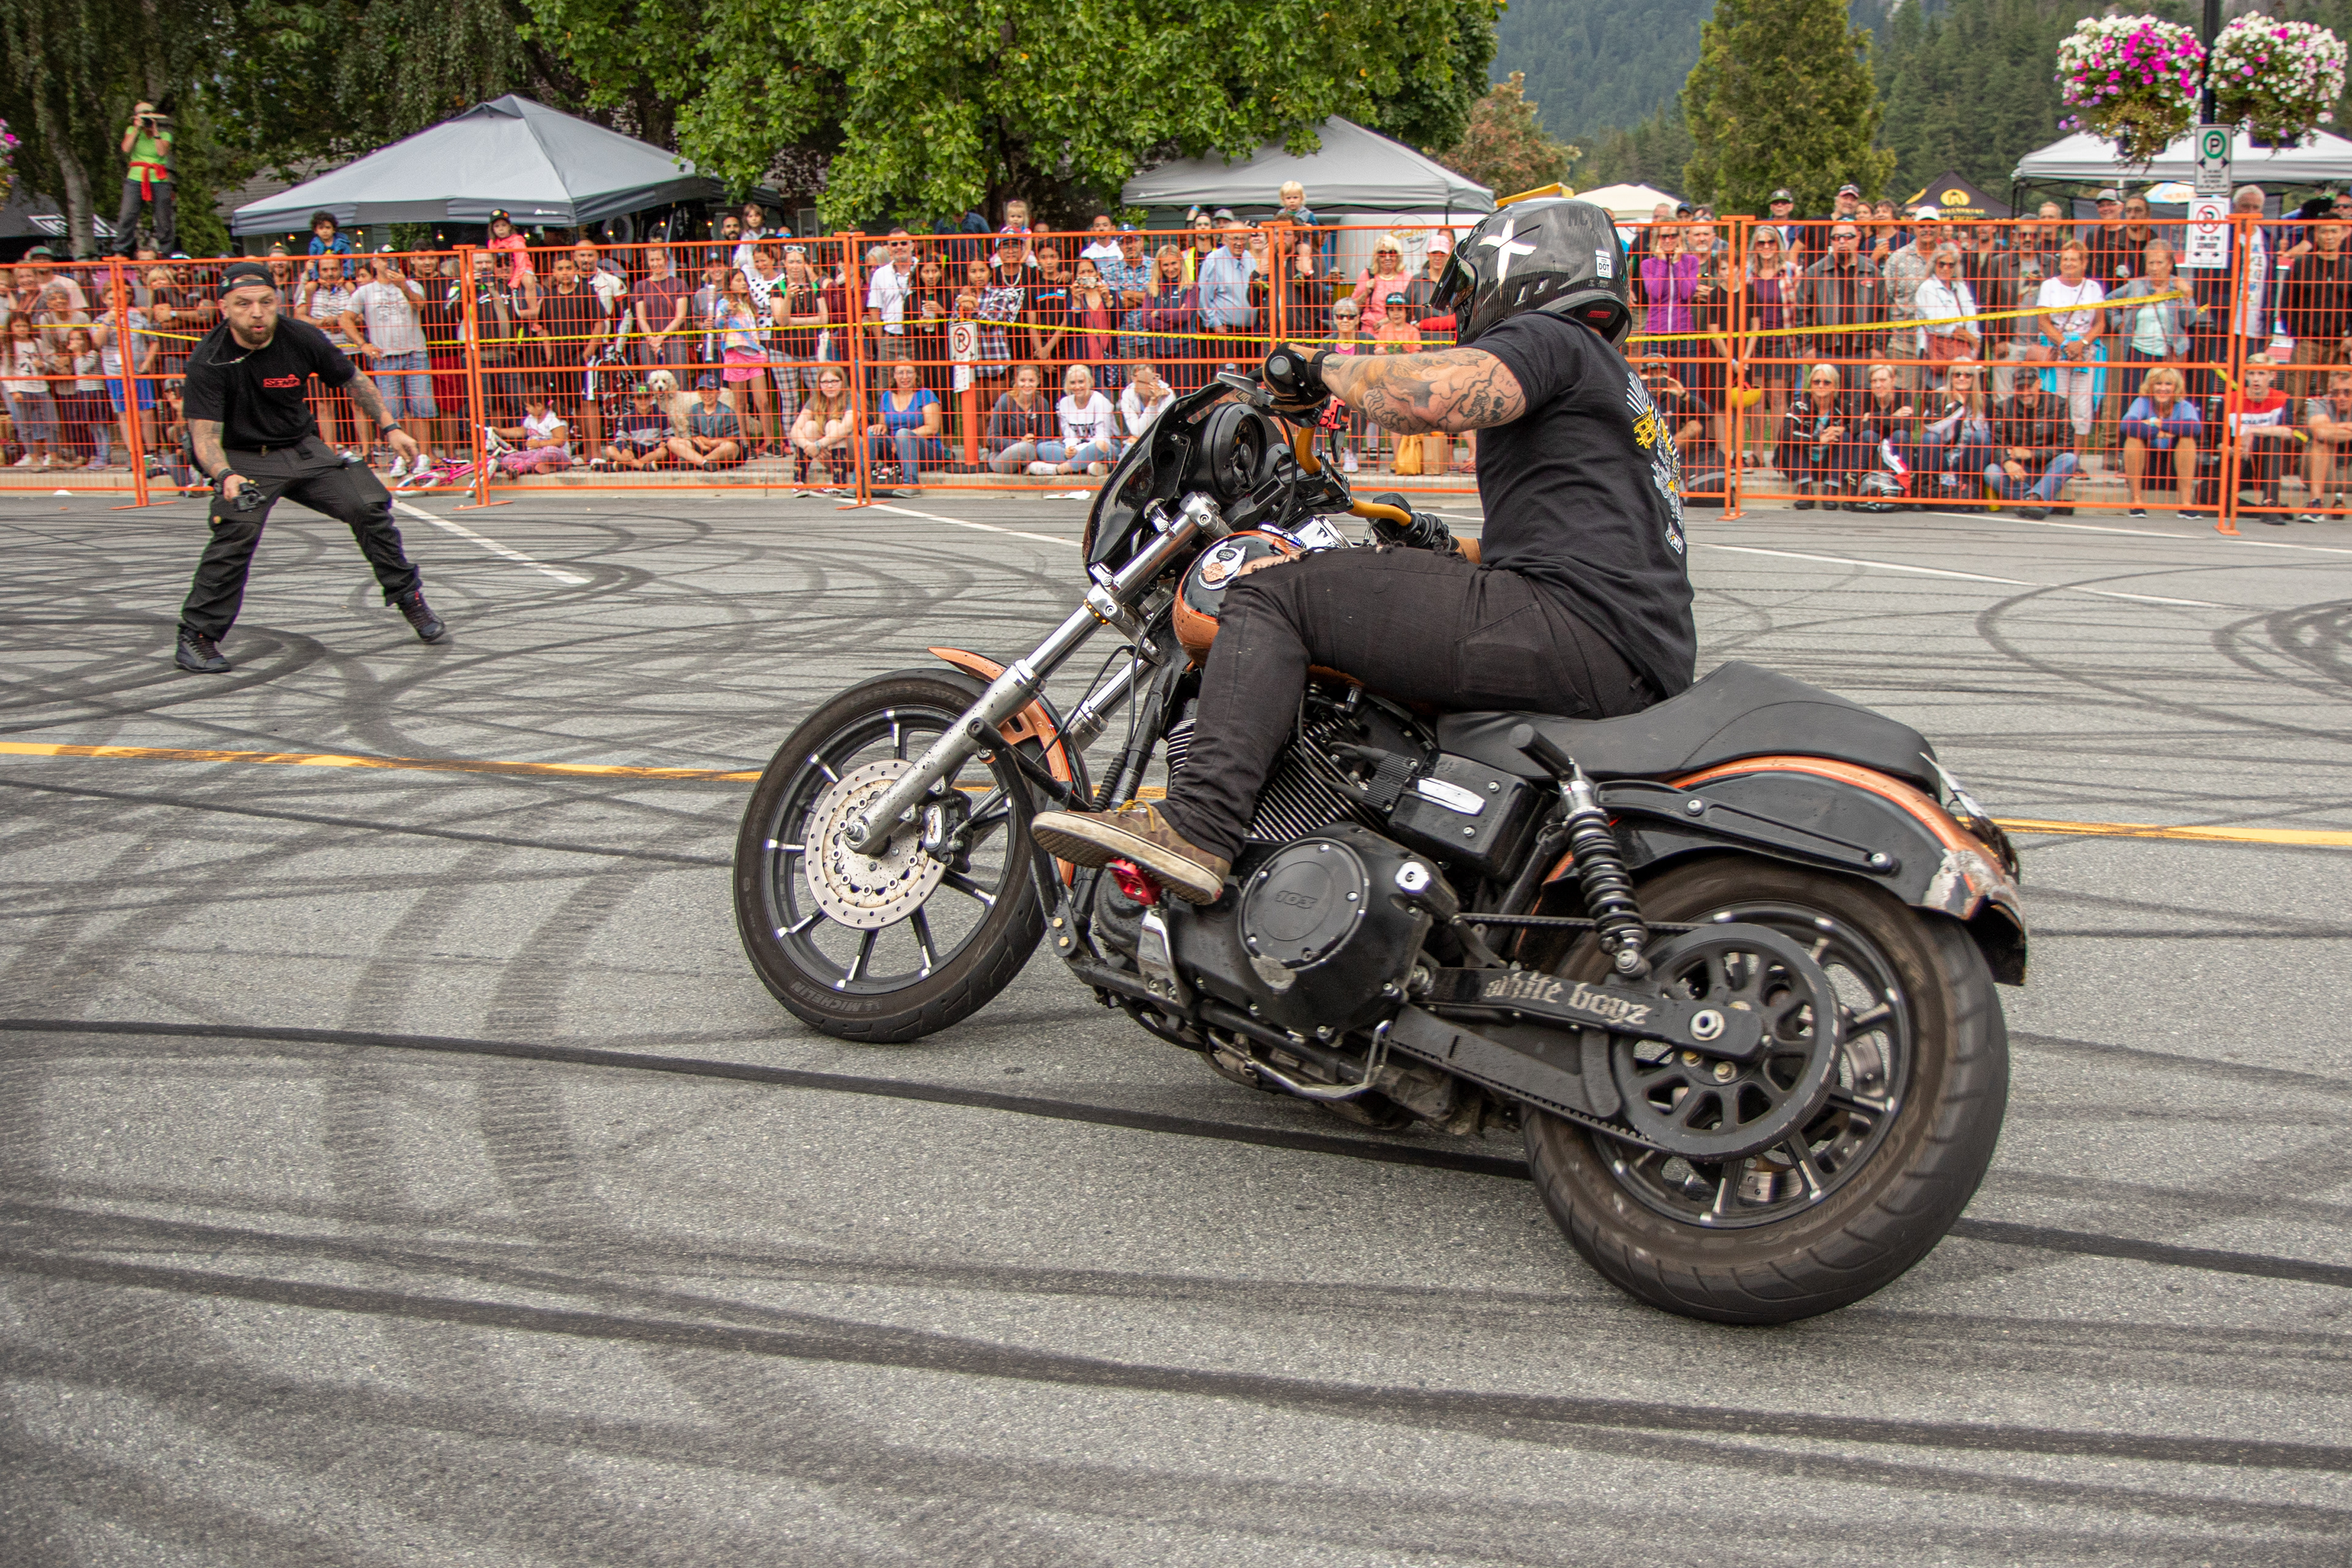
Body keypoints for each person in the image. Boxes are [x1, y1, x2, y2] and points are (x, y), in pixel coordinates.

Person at [1029, 198, 1691, 902]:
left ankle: (1199, 823)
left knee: (1273, 592)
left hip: (1572, 628)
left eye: (1471, 290)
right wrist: (1440, 543)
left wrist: (1319, 367)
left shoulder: (1551, 337)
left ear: (1520, 268)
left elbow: (1429, 398)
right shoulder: (1615, 384)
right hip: (1621, 652)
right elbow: (1572, 540)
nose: (1468, 310)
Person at [171, 259, 441, 674]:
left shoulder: (300, 336)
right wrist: (225, 476)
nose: (257, 313)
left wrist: (391, 428)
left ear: (277, 302)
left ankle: (410, 598)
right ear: (224, 307)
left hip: (301, 448)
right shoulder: (209, 359)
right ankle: (197, 635)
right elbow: (205, 437)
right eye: (244, 304)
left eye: (266, 302)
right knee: (237, 531)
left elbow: (354, 380)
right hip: (241, 457)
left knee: (368, 506)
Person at [343, 251, 440, 483]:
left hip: (415, 352)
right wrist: (363, 344)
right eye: (384, 260)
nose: (389, 264)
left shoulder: (412, 284)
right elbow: (345, 319)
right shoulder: (365, 291)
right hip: (385, 356)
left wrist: (403, 286)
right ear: (375, 262)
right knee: (392, 410)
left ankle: (424, 457)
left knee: (422, 407)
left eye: (393, 259)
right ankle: (401, 457)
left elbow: (420, 305)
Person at [2034, 239, 2105, 460]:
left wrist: (2081, 344)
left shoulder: (2093, 288)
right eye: (2065, 259)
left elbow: (2100, 324)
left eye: (2074, 259)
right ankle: (2055, 457)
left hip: (2085, 353)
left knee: (2082, 408)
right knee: (2056, 403)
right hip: (2057, 350)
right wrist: (2065, 344)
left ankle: (2076, 460)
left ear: (2084, 263)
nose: (2069, 263)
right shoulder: (2049, 286)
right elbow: (2043, 322)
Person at [2105, 239, 2200, 391]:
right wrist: (2119, 324)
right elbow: (2109, 301)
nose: (2155, 268)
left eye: (2160, 263)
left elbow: (2188, 321)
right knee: (2132, 398)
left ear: (2170, 264)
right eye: (2151, 263)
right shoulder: (2136, 286)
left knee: (2165, 399)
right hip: (2137, 354)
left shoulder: (2179, 286)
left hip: (2168, 354)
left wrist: (2187, 297)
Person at [1986, 374, 2079, 519]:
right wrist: (2007, 462)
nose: (2025, 393)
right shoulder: (2003, 407)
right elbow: (1996, 443)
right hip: (2019, 470)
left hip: (2048, 468)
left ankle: (2032, 499)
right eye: (2020, 388)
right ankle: (2040, 501)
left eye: (2029, 387)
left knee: (2070, 459)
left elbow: (2066, 444)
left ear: (2039, 384)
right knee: (1991, 473)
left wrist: (2030, 454)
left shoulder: (2059, 404)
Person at [2278, 214, 2352, 397]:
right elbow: (2287, 304)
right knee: (2294, 399)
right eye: (2324, 231)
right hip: (2307, 342)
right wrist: (2297, 335)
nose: (2329, 236)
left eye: (2334, 231)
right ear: (2316, 235)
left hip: (2340, 345)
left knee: (2337, 400)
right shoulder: (2301, 265)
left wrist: (2350, 337)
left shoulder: (2350, 268)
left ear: (2343, 234)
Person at [2117, 365, 2201, 518]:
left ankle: (2186, 503)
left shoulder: (2184, 405)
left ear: (2176, 387)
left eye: (2168, 384)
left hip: (2175, 466)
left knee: (2188, 441)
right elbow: (2127, 425)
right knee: (2133, 440)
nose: (2163, 388)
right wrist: (2160, 434)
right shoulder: (2142, 402)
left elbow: (2194, 428)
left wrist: (2158, 423)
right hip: (2147, 465)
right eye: (2158, 383)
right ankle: (2136, 502)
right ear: (2150, 386)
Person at [2222, 353, 2297, 516]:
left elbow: (2288, 431)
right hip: (2239, 461)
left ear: (2272, 376)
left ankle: (2270, 505)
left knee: (2272, 441)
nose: (2256, 379)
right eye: (2251, 373)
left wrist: (2252, 431)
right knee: (2205, 495)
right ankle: (2262, 510)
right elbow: (2218, 442)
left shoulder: (2282, 399)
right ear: (2245, 375)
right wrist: (2230, 450)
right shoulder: (2229, 400)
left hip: (2267, 464)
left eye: (2261, 373)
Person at [1777, 363, 1857, 508]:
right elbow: (1784, 434)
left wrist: (1844, 429)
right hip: (1800, 464)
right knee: (1788, 441)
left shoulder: (1844, 407)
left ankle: (1831, 491)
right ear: (1811, 385)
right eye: (1816, 382)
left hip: (1828, 465)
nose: (1821, 386)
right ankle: (1805, 491)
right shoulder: (1800, 405)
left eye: (1827, 382)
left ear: (1835, 386)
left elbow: (1860, 429)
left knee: (1846, 437)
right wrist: (1818, 440)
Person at [864, 358, 943, 485]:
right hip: (895, 451)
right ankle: (859, 482)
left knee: (903, 434)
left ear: (916, 375)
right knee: (871, 432)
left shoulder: (926, 394)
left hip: (926, 452)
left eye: (909, 372)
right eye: (900, 373)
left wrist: (902, 438)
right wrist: (880, 427)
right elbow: (884, 425)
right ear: (894, 376)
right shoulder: (886, 396)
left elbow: (932, 428)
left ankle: (910, 484)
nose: (905, 377)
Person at [1035, 363, 1120, 475]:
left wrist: (1078, 450)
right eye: (1073, 383)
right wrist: (1070, 448)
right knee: (1042, 448)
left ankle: (1060, 469)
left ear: (1089, 382)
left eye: (1081, 382)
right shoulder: (1064, 403)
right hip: (1078, 448)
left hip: (1105, 447)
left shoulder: (1101, 401)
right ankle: (1088, 466)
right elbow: (1069, 435)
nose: (1077, 386)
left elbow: (1103, 438)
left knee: (1100, 447)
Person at [114, 102, 176, 256]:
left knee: (163, 217)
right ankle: (121, 250)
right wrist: (136, 129)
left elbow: (162, 153)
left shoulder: (165, 135)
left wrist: (155, 131)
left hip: (159, 179)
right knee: (128, 214)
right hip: (136, 177)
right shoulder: (132, 131)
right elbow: (126, 149)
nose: (147, 120)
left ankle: (166, 252)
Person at [4, 317, 59, 469]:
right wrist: (13, 391)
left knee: (53, 423)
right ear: (11, 327)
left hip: (41, 388)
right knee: (26, 427)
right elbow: (5, 371)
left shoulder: (38, 343)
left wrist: (42, 365)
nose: (22, 329)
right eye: (18, 326)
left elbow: (47, 365)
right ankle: (34, 459)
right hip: (22, 389)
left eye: (24, 326)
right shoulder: (9, 346)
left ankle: (54, 458)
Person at [984, 361, 1058, 473]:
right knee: (1025, 449)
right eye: (1023, 380)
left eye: (1031, 381)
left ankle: (1031, 465)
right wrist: (1021, 442)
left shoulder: (1042, 403)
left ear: (1038, 381)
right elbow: (992, 439)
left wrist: (1031, 443)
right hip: (1003, 456)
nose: (1027, 385)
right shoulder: (1005, 401)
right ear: (1016, 381)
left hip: (1033, 449)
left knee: (1056, 444)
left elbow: (1046, 437)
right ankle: (1034, 465)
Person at [790, 364, 857, 485]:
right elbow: (795, 429)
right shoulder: (815, 400)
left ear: (843, 382)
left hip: (854, 453)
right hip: (826, 455)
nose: (830, 386)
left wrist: (818, 445)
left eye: (835, 381)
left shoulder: (852, 397)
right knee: (810, 427)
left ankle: (839, 483)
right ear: (819, 384)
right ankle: (798, 482)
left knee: (833, 425)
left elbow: (847, 428)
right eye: (825, 382)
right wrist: (808, 446)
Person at [2300, 366, 2352, 521]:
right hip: (2323, 473)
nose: (2341, 397)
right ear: (2329, 391)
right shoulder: (2318, 403)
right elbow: (2322, 432)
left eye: (2347, 392)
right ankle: (2316, 504)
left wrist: (2335, 429)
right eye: (2336, 392)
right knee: (2321, 442)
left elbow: (2328, 430)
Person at [481, 385, 572, 474]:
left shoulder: (553, 419)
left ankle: (520, 467)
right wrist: (500, 431)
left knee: (550, 450)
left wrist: (539, 444)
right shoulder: (531, 418)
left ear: (539, 406)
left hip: (557, 456)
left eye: (528, 406)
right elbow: (521, 431)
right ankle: (535, 467)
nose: (526, 409)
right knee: (507, 459)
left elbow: (560, 441)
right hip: (535, 454)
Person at [631, 246, 693, 369]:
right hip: (649, 341)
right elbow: (641, 318)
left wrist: (661, 337)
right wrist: (652, 339)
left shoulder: (679, 284)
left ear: (666, 260)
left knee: (678, 378)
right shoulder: (640, 286)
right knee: (652, 379)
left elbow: (681, 317)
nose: (655, 264)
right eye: (652, 260)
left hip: (674, 339)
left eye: (659, 259)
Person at [669, 372, 746, 469]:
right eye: (703, 392)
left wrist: (711, 443)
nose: (707, 395)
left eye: (710, 392)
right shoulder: (694, 409)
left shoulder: (727, 411)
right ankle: (706, 463)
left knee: (731, 447)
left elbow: (733, 439)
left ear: (718, 393)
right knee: (673, 442)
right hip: (702, 446)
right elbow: (694, 436)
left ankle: (697, 462)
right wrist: (704, 446)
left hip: (721, 448)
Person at [597, 382, 673, 471]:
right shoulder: (627, 417)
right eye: (639, 398)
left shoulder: (661, 415)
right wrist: (624, 450)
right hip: (635, 451)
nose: (643, 401)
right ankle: (642, 466)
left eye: (646, 398)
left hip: (654, 450)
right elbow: (620, 438)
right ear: (633, 400)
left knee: (663, 452)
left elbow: (670, 435)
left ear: (651, 398)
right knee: (610, 450)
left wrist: (665, 442)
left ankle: (628, 466)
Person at [1120, 361, 1174, 440]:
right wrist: (1153, 402)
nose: (1145, 381)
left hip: (1163, 438)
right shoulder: (1128, 394)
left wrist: (1154, 401)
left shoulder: (1168, 394)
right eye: (1141, 377)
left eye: (1148, 377)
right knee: (1130, 444)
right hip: (1139, 439)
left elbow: (1161, 427)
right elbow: (1137, 432)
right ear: (1133, 379)